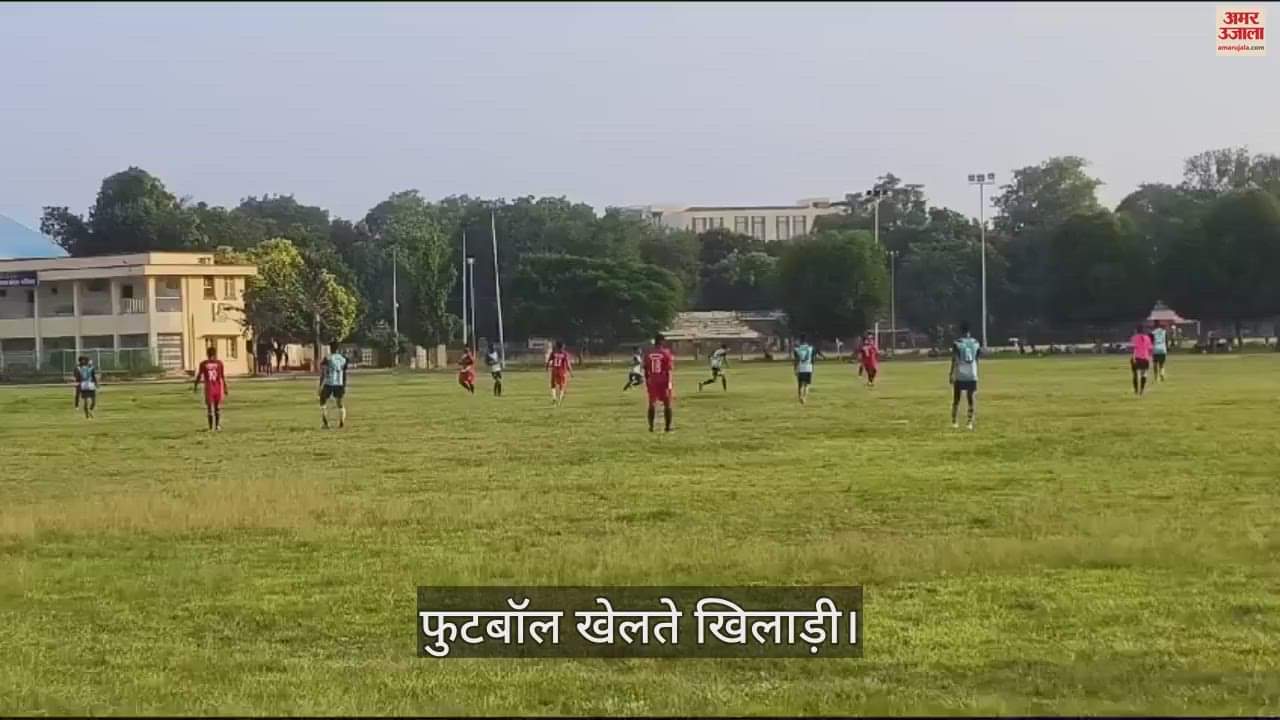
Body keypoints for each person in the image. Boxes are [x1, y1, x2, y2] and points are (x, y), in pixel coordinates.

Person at [949, 322, 981, 430]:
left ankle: (954, 422)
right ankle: (969, 422)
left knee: (956, 398)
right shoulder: (976, 342)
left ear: (960, 332)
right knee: (971, 398)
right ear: (969, 332)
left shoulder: (957, 343)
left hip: (960, 374)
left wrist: (951, 374)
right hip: (972, 373)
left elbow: (955, 360)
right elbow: (976, 359)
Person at [643, 333, 675, 432]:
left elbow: (645, 368)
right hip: (663, 381)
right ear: (661, 341)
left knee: (651, 403)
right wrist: (669, 383)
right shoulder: (666, 353)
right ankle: (667, 427)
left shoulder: (648, 353)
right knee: (667, 404)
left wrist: (647, 381)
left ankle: (651, 427)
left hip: (652, 380)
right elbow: (668, 369)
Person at [194, 345, 229, 431]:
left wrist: (195, 385)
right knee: (217, 408)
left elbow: (199, 375)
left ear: (207, 354)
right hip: (217, 387)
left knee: (210, 408)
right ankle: (217, 426)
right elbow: (222, 376)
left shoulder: (203, 364)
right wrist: (225, 387)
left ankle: (210, 428)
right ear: (215, 354)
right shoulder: (219, 363)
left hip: (209, 388)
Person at [319, 341, 348, 429]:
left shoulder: (327, 358)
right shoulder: (343, 359)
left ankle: (325, 423)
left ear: (330, 348)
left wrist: (320, 385)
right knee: (340, 403)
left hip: (329, 382)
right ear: (338, 349)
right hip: (339, 383)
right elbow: (344, 372)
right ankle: (341, 422)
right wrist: (344, 384)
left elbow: (324, 373)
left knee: (322, 402)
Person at [793, 335, 819, 404]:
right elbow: (813, 360)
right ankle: (804, 398)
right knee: (806, 385)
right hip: (808, 368)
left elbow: (796, 360)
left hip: (801, 368)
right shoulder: (811, 348)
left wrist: (795, 369)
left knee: (800, 385)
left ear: (800, 341)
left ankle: (800, 397)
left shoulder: (797, 349)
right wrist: (813, 368)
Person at [546, 341, 573, 406]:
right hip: (562, 371)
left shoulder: (554, 353)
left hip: (554, 370)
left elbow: (548, 361)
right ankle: (559, 400)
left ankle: (554, 398)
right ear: (562, 347)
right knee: (562, 386)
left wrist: (546, 367)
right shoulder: (565, 354)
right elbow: (568, 364)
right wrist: (571, 372)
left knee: (553, 385)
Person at [1130, 323, 1153, 396]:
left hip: (1137, 358)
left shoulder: (1134, 337)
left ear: (1136, 330)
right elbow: (1150, 349)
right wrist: (1149, 357)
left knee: (1135, 374)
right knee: (1144, 374)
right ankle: (1142, 390)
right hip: (1145, 358)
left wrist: (1133, 357)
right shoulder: (1147, 338)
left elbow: (1133, 348)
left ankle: (1136, 390)